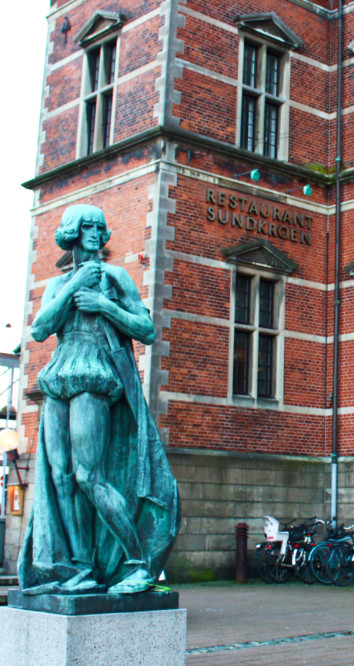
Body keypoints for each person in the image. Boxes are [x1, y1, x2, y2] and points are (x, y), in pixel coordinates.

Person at [19, 204, 179, 595]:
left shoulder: (116, 277)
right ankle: (80, 568)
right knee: (61, 478)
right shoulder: (59, 284)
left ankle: (138, 563)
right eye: (86, 226)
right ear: (73, 232)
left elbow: (146, 329)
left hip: (94, 375)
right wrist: (74, 286)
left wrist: (104, 305)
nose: (94, 232)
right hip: (59, 377)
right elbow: (40, 330)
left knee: (88, 476)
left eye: (99, 227)